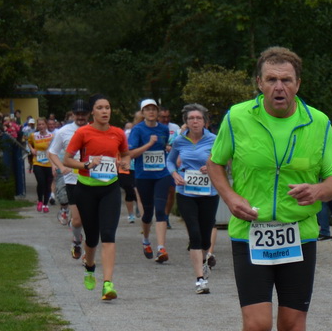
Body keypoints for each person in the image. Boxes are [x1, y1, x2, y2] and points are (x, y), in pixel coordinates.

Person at [208, 46, 332, 331]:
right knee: (256, 327)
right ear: (259, 84)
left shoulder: (317, 123)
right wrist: (231, 197)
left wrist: (319, 192)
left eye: (286, 80)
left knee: (294, 328)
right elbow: (216, 164)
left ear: (298, 84)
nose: (279, 87)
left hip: (298, 236)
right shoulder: (237, 117)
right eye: (271, 79)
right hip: (250, 234)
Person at [64, 96, 129, 301]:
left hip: (110, 189)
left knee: (108, 234)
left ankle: (108, 283)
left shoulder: (118, 133)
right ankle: (90, 266)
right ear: (93, 112)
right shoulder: (83, 133)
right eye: (100, 108)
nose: (104, 111)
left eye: (107, 107)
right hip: (86, 190)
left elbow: (125, 154)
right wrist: (85, 165)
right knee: (91, 238)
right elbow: (67, 159)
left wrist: (125, 163)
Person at [166, 103, 219, 294]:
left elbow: (226, 161)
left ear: (205, 121)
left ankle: (205, 258)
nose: (194, 121)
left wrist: (211, 166)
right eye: (191, 119)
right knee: (194, 235)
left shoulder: (214, 139)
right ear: (186, 122)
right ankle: (199, 280)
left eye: (198, 118)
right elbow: (170, 161)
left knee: (205, 238)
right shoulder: (180, 141)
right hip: (186, 192)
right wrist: (174, 174)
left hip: (209, 193)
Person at [128, 98, 174, 263]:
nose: (151, 112)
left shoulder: (164, 129)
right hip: (143, 176)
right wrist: (148, 144)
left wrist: (167, 148)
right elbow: (131, 154)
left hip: (162, 174)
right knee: (147, 213)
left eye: (154, 109)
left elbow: (165, 146)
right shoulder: (137, 130)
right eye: (147, 109)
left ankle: (161, 248)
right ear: (143, 113)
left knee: (160, 210)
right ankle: (146, 240)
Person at [49, 100, 90, 254]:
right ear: (73, 114)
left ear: (88, 114)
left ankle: (88, 251)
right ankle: (76, 240)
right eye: (77, 114)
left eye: (83, 114)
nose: (80, 117)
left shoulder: (95, 129)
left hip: (92, 180)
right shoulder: (64, 131)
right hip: (72, 180)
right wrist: (61, 167)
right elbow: (52, 152)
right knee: (78, 220)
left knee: (90, 219)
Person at [28, 115, 56, 213]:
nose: (41, 126)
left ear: (46, 125)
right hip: (37, 162)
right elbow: (29, 143)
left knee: (48, 185)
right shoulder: (34, 135)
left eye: (43, 124)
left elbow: (55, 149)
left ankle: (45, 204)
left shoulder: (52, 136)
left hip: (49, 163)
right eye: (39, 124)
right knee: (41, 182)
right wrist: (32, 149)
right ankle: (40, 200)